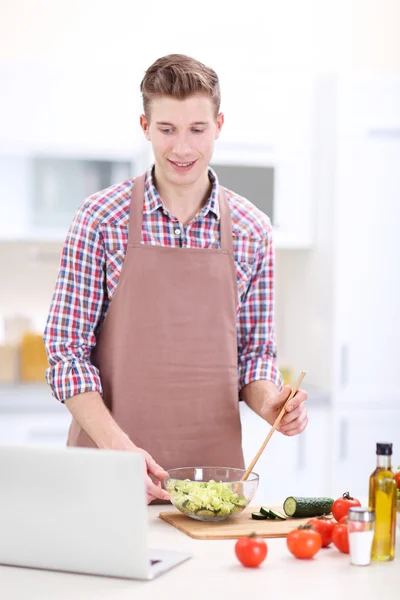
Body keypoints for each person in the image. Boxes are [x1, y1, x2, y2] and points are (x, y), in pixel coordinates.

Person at [44, 54, 308, 504]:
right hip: (109, 474)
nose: (182, 148)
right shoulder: (99, 220)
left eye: (197, 130)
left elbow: (255, 354)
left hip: (213, 488)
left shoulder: (252, 230)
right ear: (145, 126)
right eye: (166, 130)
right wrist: (120, 450)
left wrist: (269, 404)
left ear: (219, 124)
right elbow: (66, 354)